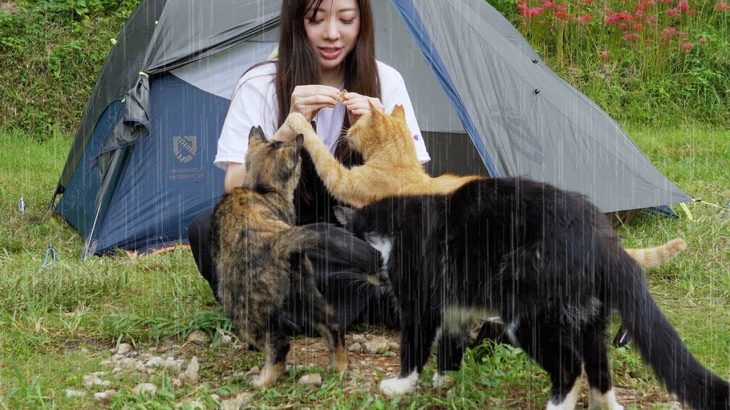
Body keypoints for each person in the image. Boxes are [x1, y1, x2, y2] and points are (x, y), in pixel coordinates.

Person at [187, 0, 430, 332]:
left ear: (362, 23)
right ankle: (371, 301)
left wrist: (380, 141)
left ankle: (304, 311)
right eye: (315, 20)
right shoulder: (260, 83)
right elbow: (234, 184)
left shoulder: (385, 80)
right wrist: (288, 130)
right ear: (295, 23)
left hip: (354, 227)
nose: (332, 34)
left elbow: (414, 191)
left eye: (346, 20)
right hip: (288, 229)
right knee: (208, 229)